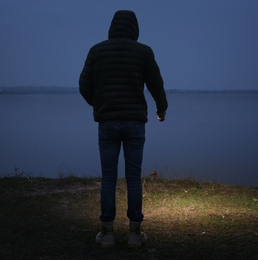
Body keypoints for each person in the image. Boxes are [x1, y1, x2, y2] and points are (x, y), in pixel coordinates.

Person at [79, 10, 168, 248]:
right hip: (134, 122)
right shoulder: (143, 52)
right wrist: (162, 109)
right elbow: (156, 84)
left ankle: (107, 233)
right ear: (134, 28)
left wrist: (100, 104)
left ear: (112, 27)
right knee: (133, 179)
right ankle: (135, 234)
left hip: (107, 122)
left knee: (108, 178)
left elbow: (84, 85)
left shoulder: (97, 51)